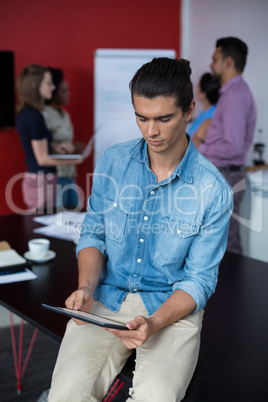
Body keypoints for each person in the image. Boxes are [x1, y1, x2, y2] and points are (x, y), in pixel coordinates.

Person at [48, 57, 233, 402]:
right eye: (142, 117)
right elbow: (93, 233)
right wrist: (86, 288)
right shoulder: (112, 162)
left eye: (164, 118)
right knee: (65, 395)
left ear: (190, 109)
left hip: (171, 309)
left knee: (156, 397)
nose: (151, 131)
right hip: (107, 298)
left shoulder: (213, 189)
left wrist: (156, 322)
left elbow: (199, 280)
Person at [199, 37, 257, 254]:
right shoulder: (230, 94)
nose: (211, 64)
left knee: (227, 246)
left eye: (215, 59)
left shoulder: (235, 96)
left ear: (228, 62)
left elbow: (232, 148)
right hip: (224, 176)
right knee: (217, 243)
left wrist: (200, 150)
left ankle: (232, 287)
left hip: (228, 178)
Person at [16, 64, 89, 212]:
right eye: (48, 83)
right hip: (41, 180)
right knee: (44, 223)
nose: (52, 87)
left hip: (42, 179)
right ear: (35, 85)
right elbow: (42, 158)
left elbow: (37, 146)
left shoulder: (28, 113)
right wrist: (77, 159)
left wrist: (55, 147)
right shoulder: (34, 116)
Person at [42, 67, 82, 209]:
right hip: (55, 174)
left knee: (76, 210)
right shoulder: (43, 114)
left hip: (69, 171)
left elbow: (65, 141)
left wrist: (74, 147)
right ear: (53, 93)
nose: (68, 94)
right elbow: (44, 145)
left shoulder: (65, 115)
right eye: (64, 91)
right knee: (57, 217)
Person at [188, 72, 220, 148]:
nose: (196, 89)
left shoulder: (212, 116)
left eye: (198, 86)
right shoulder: (205, 112)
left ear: (204, 94)